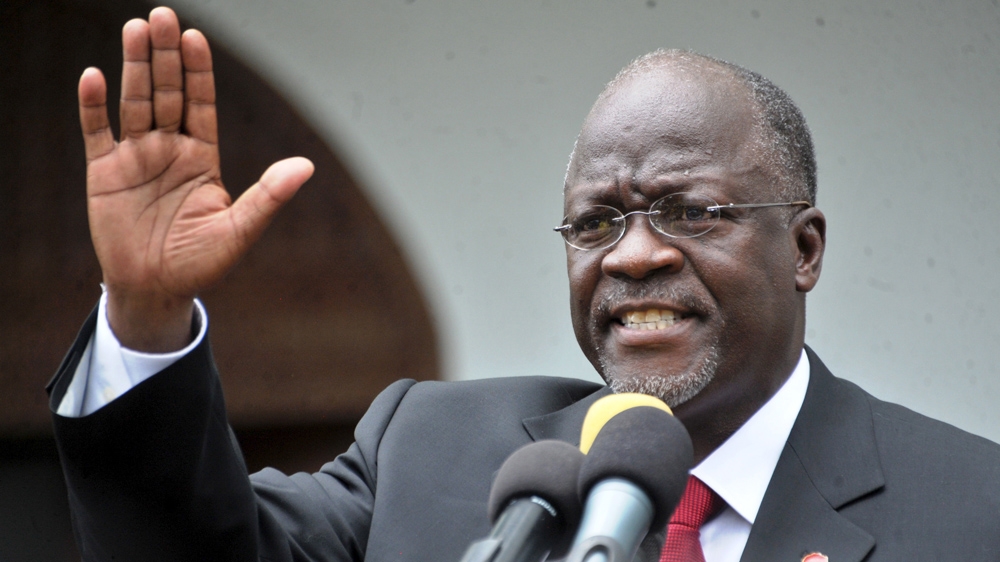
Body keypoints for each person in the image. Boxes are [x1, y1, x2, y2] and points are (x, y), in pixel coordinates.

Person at [48, 6, 1000, 562]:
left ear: (804, 249)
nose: (632, 256)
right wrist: (145, 314)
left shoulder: (969, 508)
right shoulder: (433, 450)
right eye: (595, 222)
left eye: (688, 211)